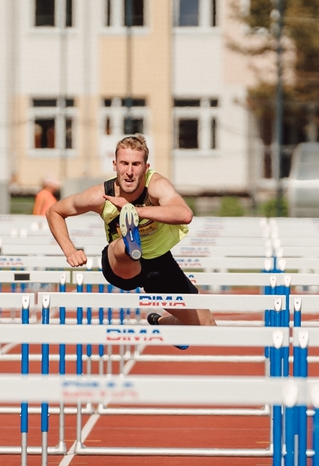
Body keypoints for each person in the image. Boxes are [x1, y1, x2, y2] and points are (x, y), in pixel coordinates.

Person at [46, 135, 214, 330]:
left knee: (206, 325)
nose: (129, 172)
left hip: (158, 262)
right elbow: (55, 211)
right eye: (124, 164)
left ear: (146, 167)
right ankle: (129, 242)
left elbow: (184, 214)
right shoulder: (100, 195)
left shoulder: (157, 185)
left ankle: (159, 322)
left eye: (136, 164)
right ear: (115, 165)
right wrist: (70, 251)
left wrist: (133, 210)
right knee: (123, 247)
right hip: (119, 265)